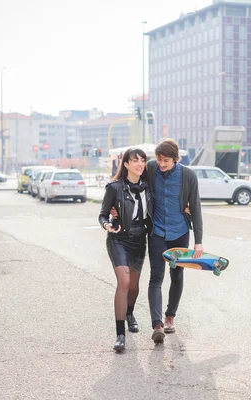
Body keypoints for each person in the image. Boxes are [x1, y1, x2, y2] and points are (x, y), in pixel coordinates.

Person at [145, 139, 203, 343]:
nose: (161, 164)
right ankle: (157, 324)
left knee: (177, 275)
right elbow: (132, 181)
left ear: (176, 159)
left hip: (179, 233)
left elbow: (195, 208)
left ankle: (170, 317)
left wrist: (198, 241)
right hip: (157, 232)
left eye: (166, 161)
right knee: (156, 277)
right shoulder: (151, 168)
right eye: (159, 160)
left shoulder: (188, 175)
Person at [98, 148, 153, 353]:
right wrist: (107, 225)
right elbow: (103, 214)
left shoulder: (149, 187)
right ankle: (120, 335)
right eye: (135, 160)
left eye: (142, 160)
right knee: (124, 282)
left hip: (140, 240)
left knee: (134, 287)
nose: (139, 164)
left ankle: (130, 313)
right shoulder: (114, 188)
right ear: (126, 164)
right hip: (118, 239)